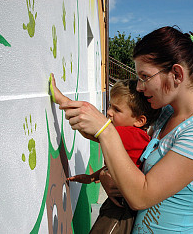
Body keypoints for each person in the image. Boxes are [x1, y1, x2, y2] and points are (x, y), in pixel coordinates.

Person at [59, 26, 193, 233]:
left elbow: (141, 196)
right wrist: (106, 175)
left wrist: (105, 130)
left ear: (176, 74)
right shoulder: (166, 114)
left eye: (145, 76)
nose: (140, 87)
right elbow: (134, 156)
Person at [50, 76, 161, 233]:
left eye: (117, 109)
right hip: (120, 206)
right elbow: (114, 167)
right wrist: (92, 178)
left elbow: (90, 131)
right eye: (110, 105)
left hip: (121, 212)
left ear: (139, 120)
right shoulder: (134, 136)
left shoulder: (130, 134)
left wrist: (62, 100)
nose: (109, 112)